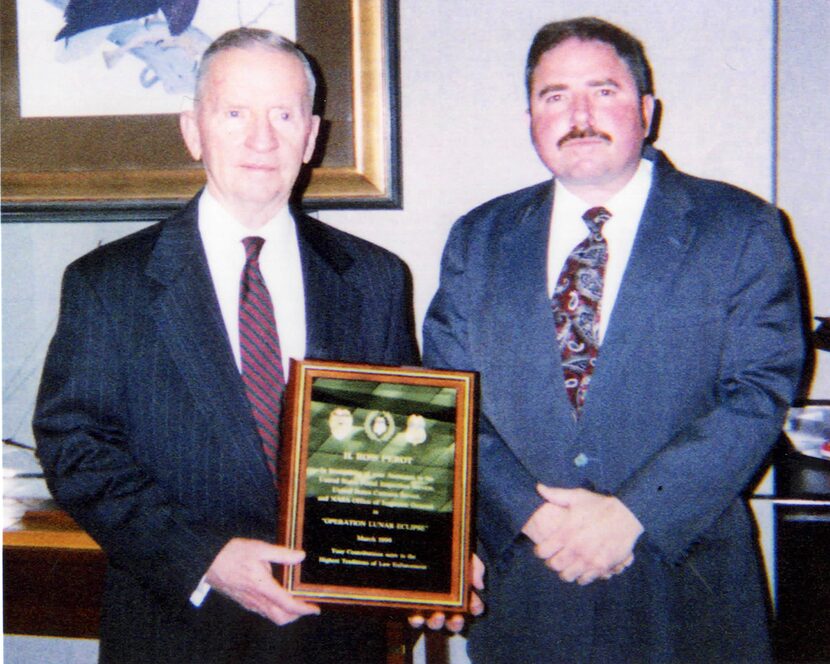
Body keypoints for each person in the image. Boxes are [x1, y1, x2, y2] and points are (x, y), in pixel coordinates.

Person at [423, 16, 805, 664]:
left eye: (603, 91)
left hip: (685, 594)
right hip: (529, 595)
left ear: (647, 112)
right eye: (554, 96)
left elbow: (759, 393)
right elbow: (451, 401)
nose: (579, 114)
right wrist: (532, 515)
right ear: (530, 118)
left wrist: (632, 515)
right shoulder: (477, 239)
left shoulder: (740, 228)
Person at [34, 28, 419, 663]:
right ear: (193, 130)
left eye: (283, 114)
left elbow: (403, 455)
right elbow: (75, 449)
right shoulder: (107, 284)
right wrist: (204, 557)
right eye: (235, 112)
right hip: (177, 633)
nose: (261, 138)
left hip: (332, 636)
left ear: (311, 136)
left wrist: (430, 556)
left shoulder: (375, 278)